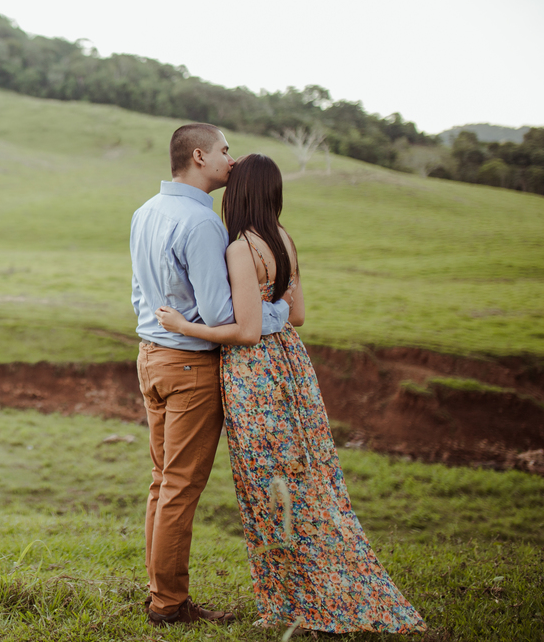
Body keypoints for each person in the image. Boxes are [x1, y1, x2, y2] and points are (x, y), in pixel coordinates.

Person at [155, 153, 426, 634]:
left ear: (239, 194)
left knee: (269, 489)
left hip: (254, 374)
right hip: (292, 366)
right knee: (307, 479)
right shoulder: (284, 239)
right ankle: (314, 591)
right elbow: (295, 316)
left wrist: (182, 326)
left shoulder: (240, 248)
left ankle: (301, 602)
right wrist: (265, 312)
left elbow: (245, 332)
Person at [129, 123, 292, 626]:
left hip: (151, 356)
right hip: (189, 366)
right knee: (179, 487)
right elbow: (225, 318)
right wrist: (280, 315)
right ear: (199, 156)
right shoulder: (202, 225)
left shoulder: (146, 212)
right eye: (225, 150)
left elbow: (142, 295)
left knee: (162, 482)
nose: (231, 159)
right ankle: (169, 605)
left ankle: (161, 593)